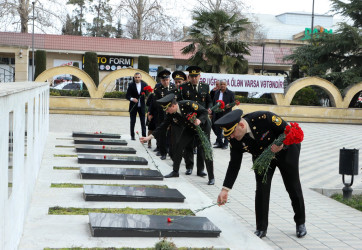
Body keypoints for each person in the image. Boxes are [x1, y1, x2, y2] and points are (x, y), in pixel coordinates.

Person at [215, 109, 306, 238]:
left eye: (233, 133)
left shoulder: (264, 118)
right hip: (262, 157)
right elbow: (234, 164)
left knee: (292, 185)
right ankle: (261, 227)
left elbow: (288, 131)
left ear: (241, 125)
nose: (231, 137)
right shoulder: (234, 139)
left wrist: (281, 146)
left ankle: (300, 222)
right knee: (261, 189)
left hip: (286, 152)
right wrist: (225, 189)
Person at [140, 93, 215, 185]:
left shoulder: (188, 104)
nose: (167, 111)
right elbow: (163, 126)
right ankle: (175, 171)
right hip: (190, 127)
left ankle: (211, 177)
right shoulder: (172, 114)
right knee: (179, 145)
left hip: (203, 127)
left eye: (167, 109)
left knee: (205, 150)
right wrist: (149, 137)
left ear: (174, 105)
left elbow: (204, 111)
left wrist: (199, 120)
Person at [179, 66, 212, 177]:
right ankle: (189, 167)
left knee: (202, 145)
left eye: (196, 76)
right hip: (189, 120)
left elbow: (209, 101)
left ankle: (200, 169)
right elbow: (180, 103)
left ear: (199, 76)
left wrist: (209, 109)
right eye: (192, 76)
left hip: (202, 120)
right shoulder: (184, 87)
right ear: (189, 77)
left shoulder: (205, 87)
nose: (194, 79)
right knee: (188, 144)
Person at [149, 69, 177, 160]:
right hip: (160, 114)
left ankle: (170, 150)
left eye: (167, 80)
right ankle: (163, 151)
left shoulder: (174, 87)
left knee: (170, 133)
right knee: (161, 133)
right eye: (163, 80)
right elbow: (154, 102)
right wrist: (150, 112)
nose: (165, 82)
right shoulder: (158, 88)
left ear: (169, 79)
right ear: (161, 80)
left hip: (172, 114)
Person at [212, 79, 235, 149]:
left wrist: (229, 106)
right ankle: (219, 143)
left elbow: (233, 103)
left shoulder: (231, 93)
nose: (222, 85)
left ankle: (225, 144)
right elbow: (214, 103)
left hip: (226, 113)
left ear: (226, 85)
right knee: (217, 129)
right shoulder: (216, 92)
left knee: (226, 129)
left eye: (224, 84)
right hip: (217, 113)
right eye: (221, 84)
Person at [125, 72, 148, 140]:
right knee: (132, 122)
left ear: (141, 78)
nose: (137, 78)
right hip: (133, 106)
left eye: (138, 77)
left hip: (142, 107)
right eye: (136, 77)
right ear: (134, 78)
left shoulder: (144, 85)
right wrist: (132, 99)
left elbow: (147, 94)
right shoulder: (131, 85)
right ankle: (132, 135)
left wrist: (147, 96)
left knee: (143, 122)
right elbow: (127, 96)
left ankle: (144, 137)